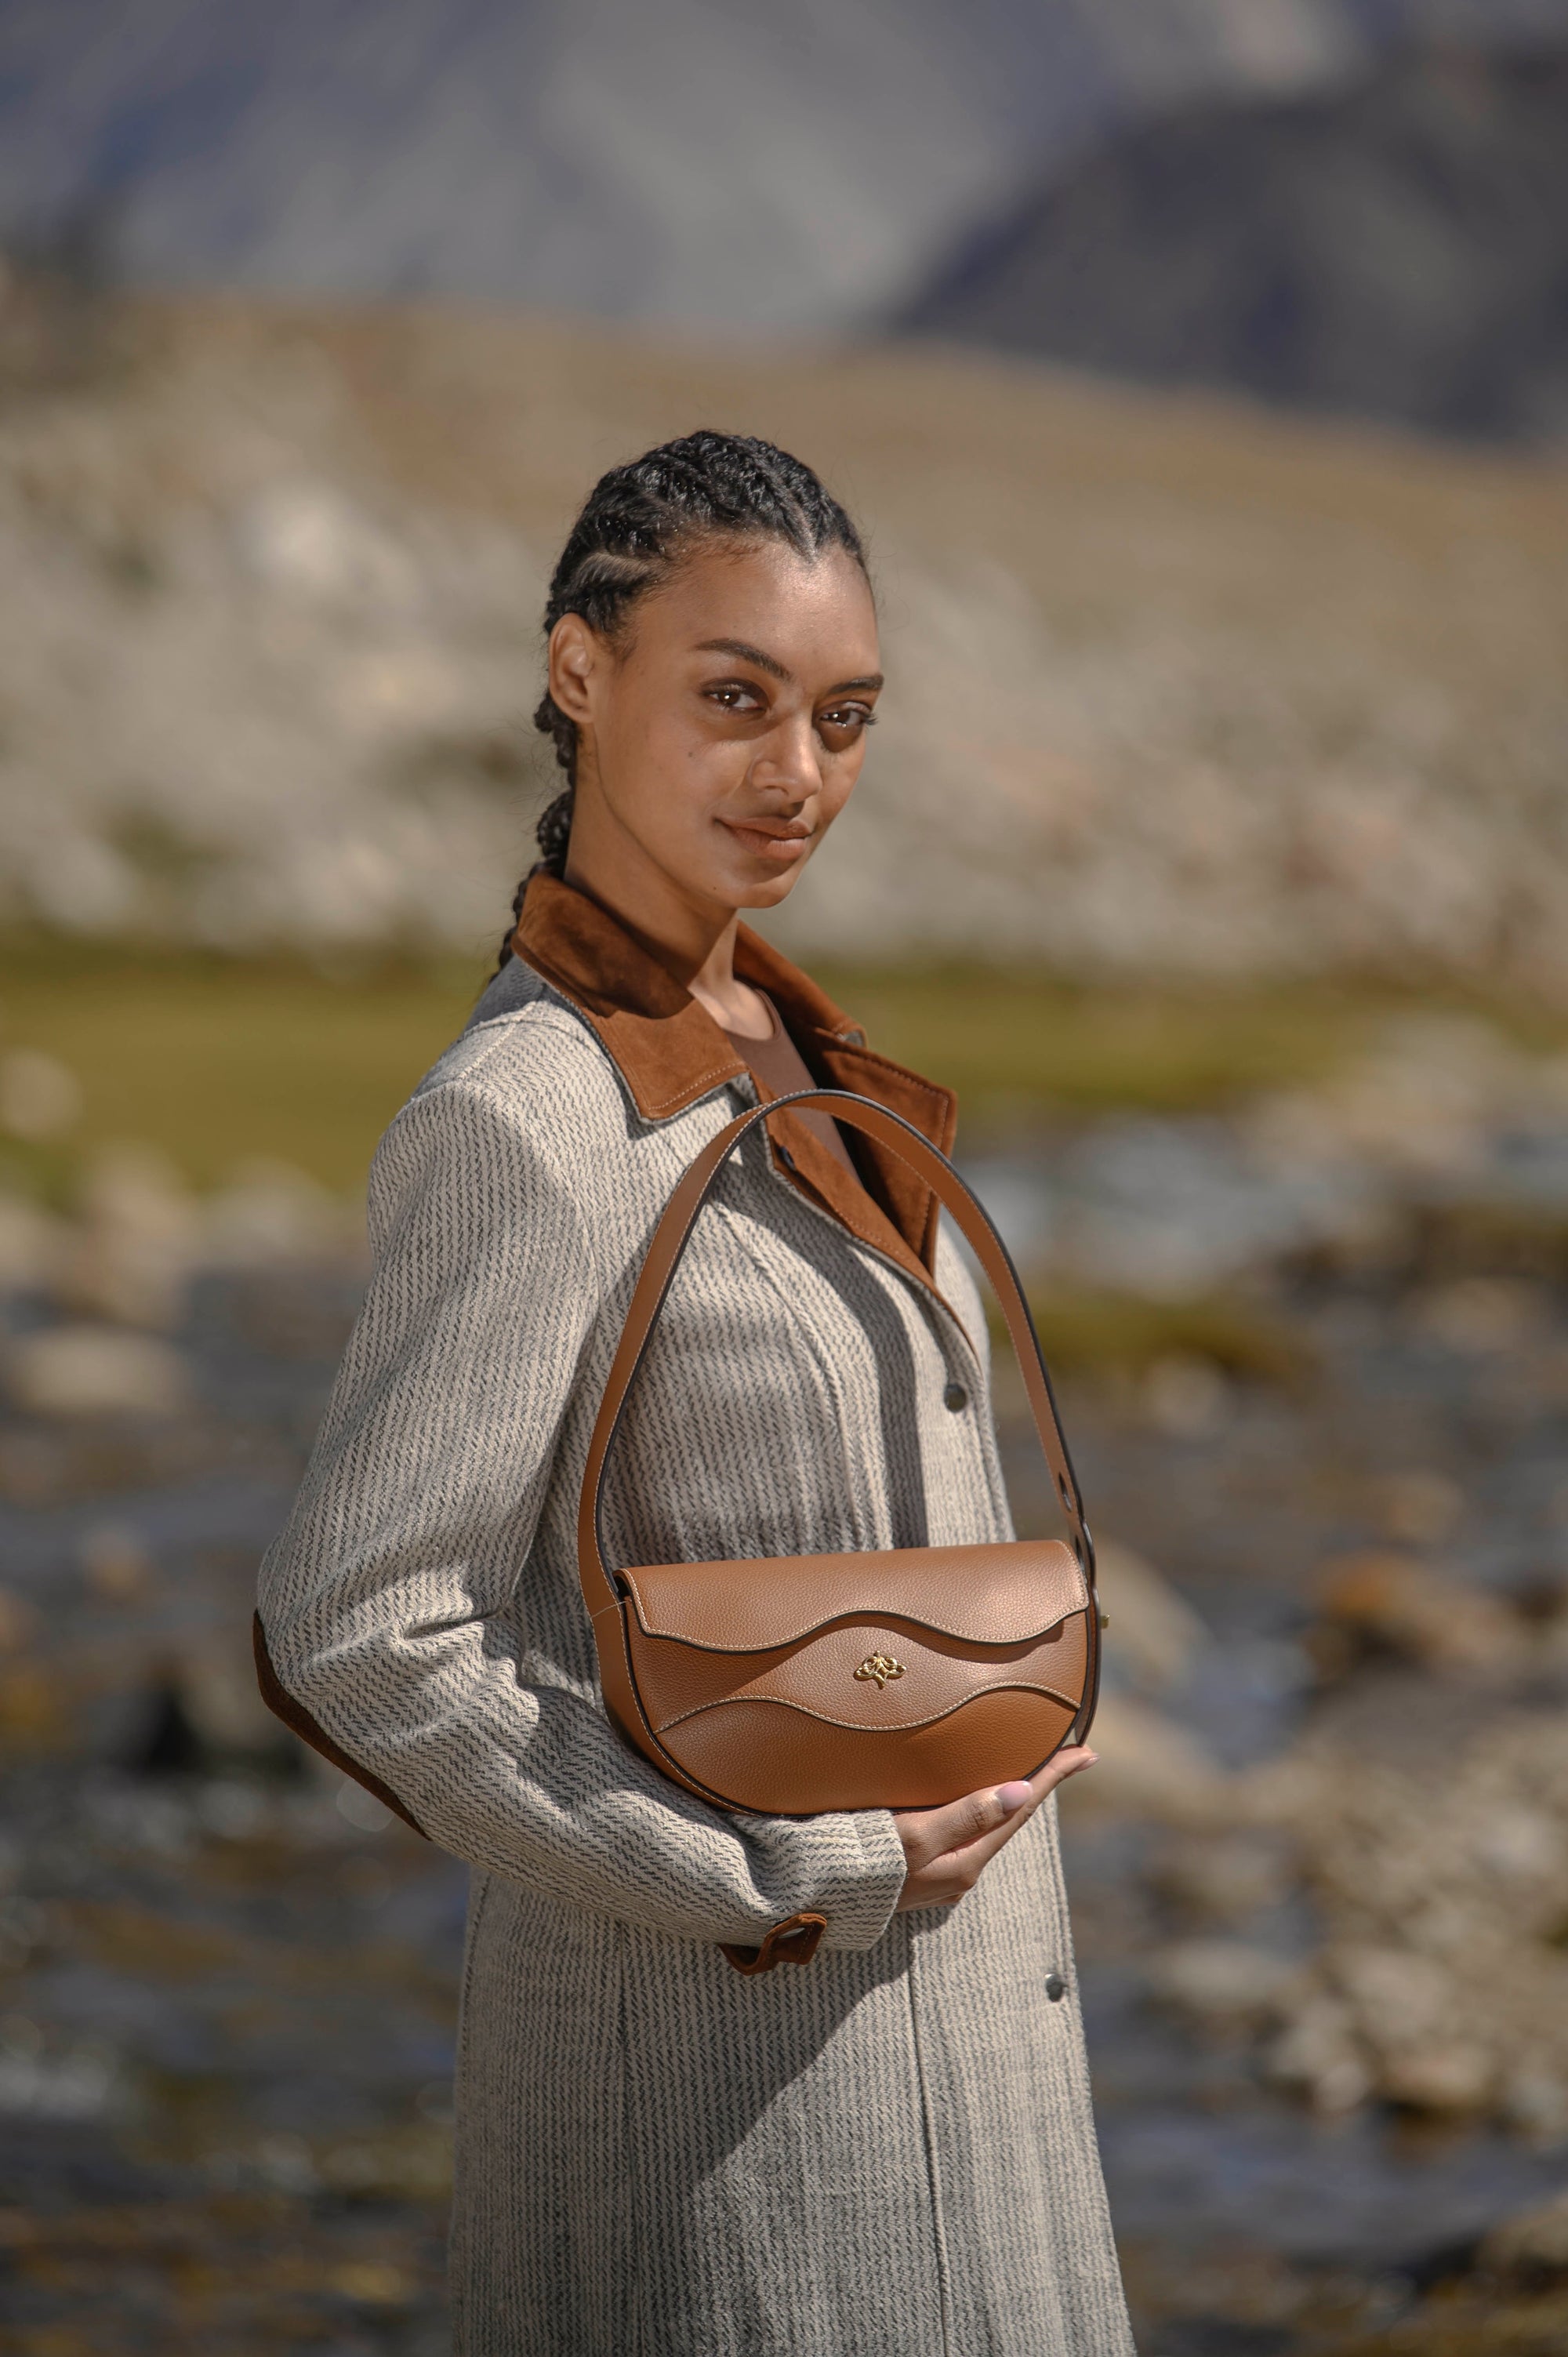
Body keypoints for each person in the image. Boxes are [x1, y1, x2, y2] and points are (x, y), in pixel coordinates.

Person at [256, 430, 1134, 2356]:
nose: (797, 771)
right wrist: (783, 1871)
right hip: (722, 2146)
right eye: (735, 699)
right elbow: (358, 1630)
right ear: (581, 671)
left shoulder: (805, 1062)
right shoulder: (529, 1118)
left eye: (843, 715)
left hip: (979, 2094)